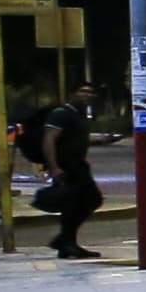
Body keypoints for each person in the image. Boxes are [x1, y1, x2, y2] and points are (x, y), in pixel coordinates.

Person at [40, 92, 105, 259]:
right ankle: (65, 241)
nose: (87, 96)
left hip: (78, 165)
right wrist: (54, 167)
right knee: (83, 201)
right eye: (82, 92)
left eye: (90, 93)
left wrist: (101, 141)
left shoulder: (77, 115)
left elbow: (74, 138)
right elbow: (49, 139)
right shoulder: (61, 113)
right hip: (67, 166)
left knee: (82, 202)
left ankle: (66, 241)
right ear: (72, 94)